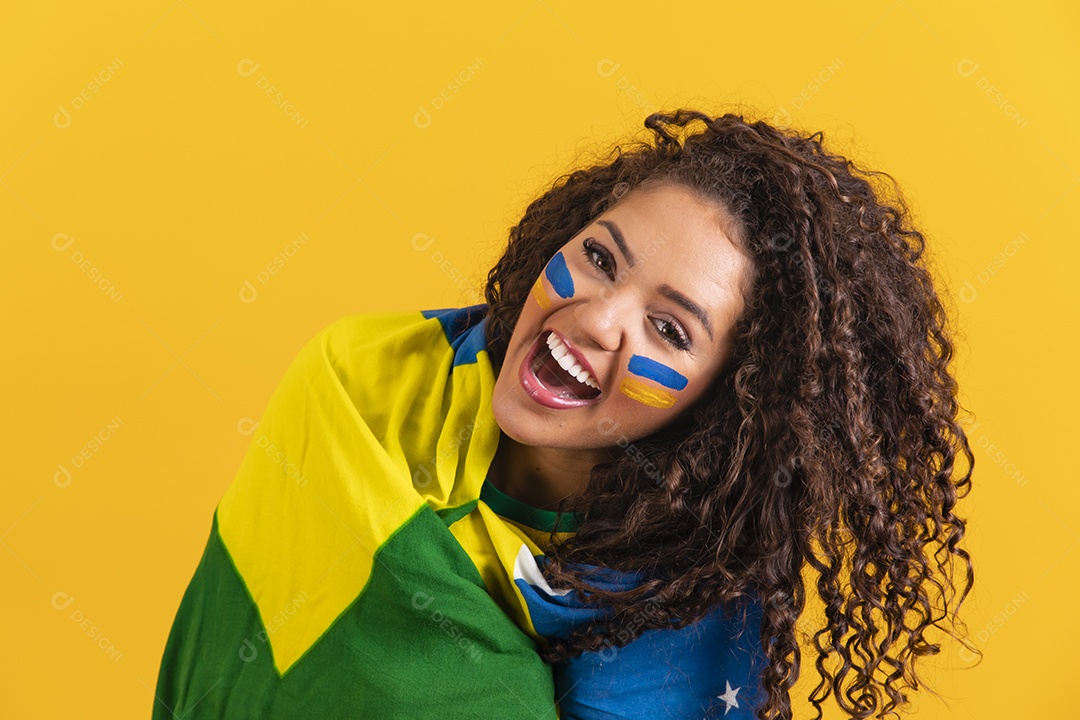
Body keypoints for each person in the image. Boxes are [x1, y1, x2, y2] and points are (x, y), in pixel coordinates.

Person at [152, 109, 976, 720]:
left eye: (668, 328)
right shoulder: (365, 389)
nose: (594, 317)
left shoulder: (692, 603)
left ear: (727, 403)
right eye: (599, 257)